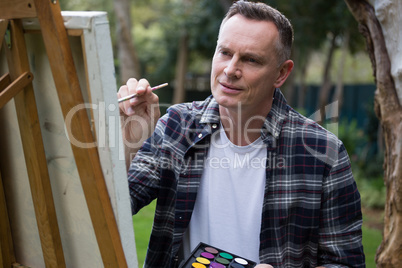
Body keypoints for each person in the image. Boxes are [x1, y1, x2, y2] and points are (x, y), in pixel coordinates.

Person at [118, 1, 365, 267]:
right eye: (224, 52)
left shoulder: (323, 152)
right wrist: (129, 139)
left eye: (250, 59)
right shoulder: (177, 126)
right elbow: (118, 204)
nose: (230, 70)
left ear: (281, 73)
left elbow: (346, 262)